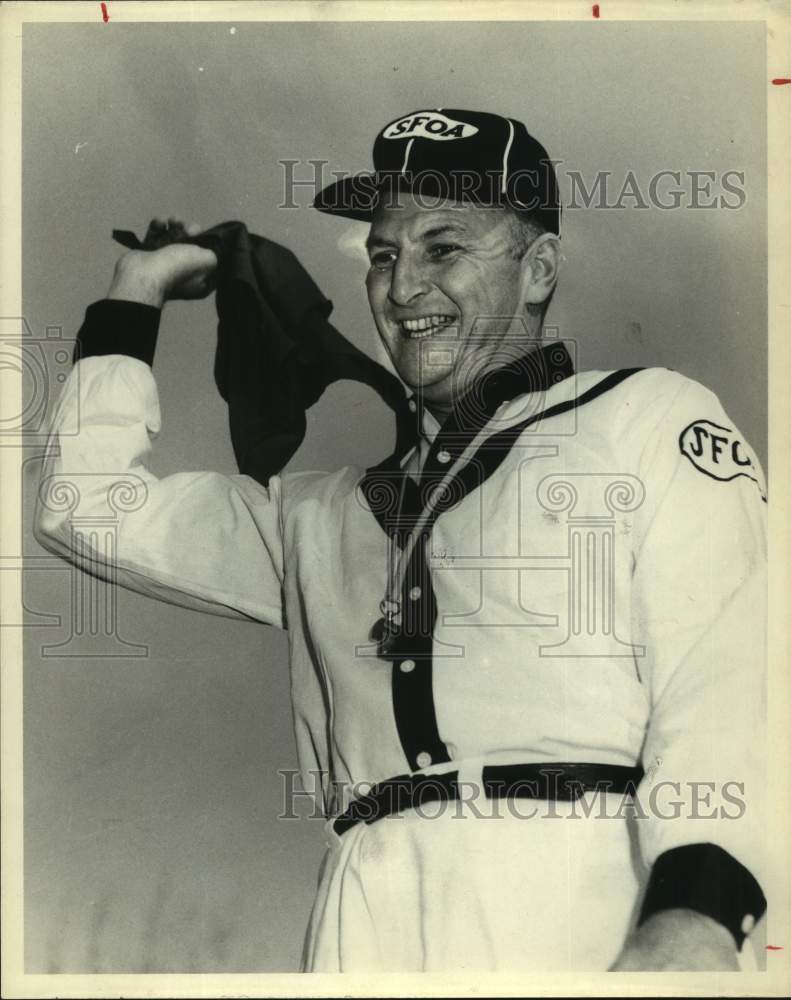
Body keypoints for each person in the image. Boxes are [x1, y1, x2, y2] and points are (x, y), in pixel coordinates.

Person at [34, 108, 767, 972]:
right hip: (363, 910)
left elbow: (728, 672)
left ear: (538, 269)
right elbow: (85, 506)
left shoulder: (642, 417)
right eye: (383, 256)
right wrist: (137, 289)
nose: (403, 286)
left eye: (442, 248)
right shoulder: (318, 515)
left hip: (581, 889)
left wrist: (697, 909)